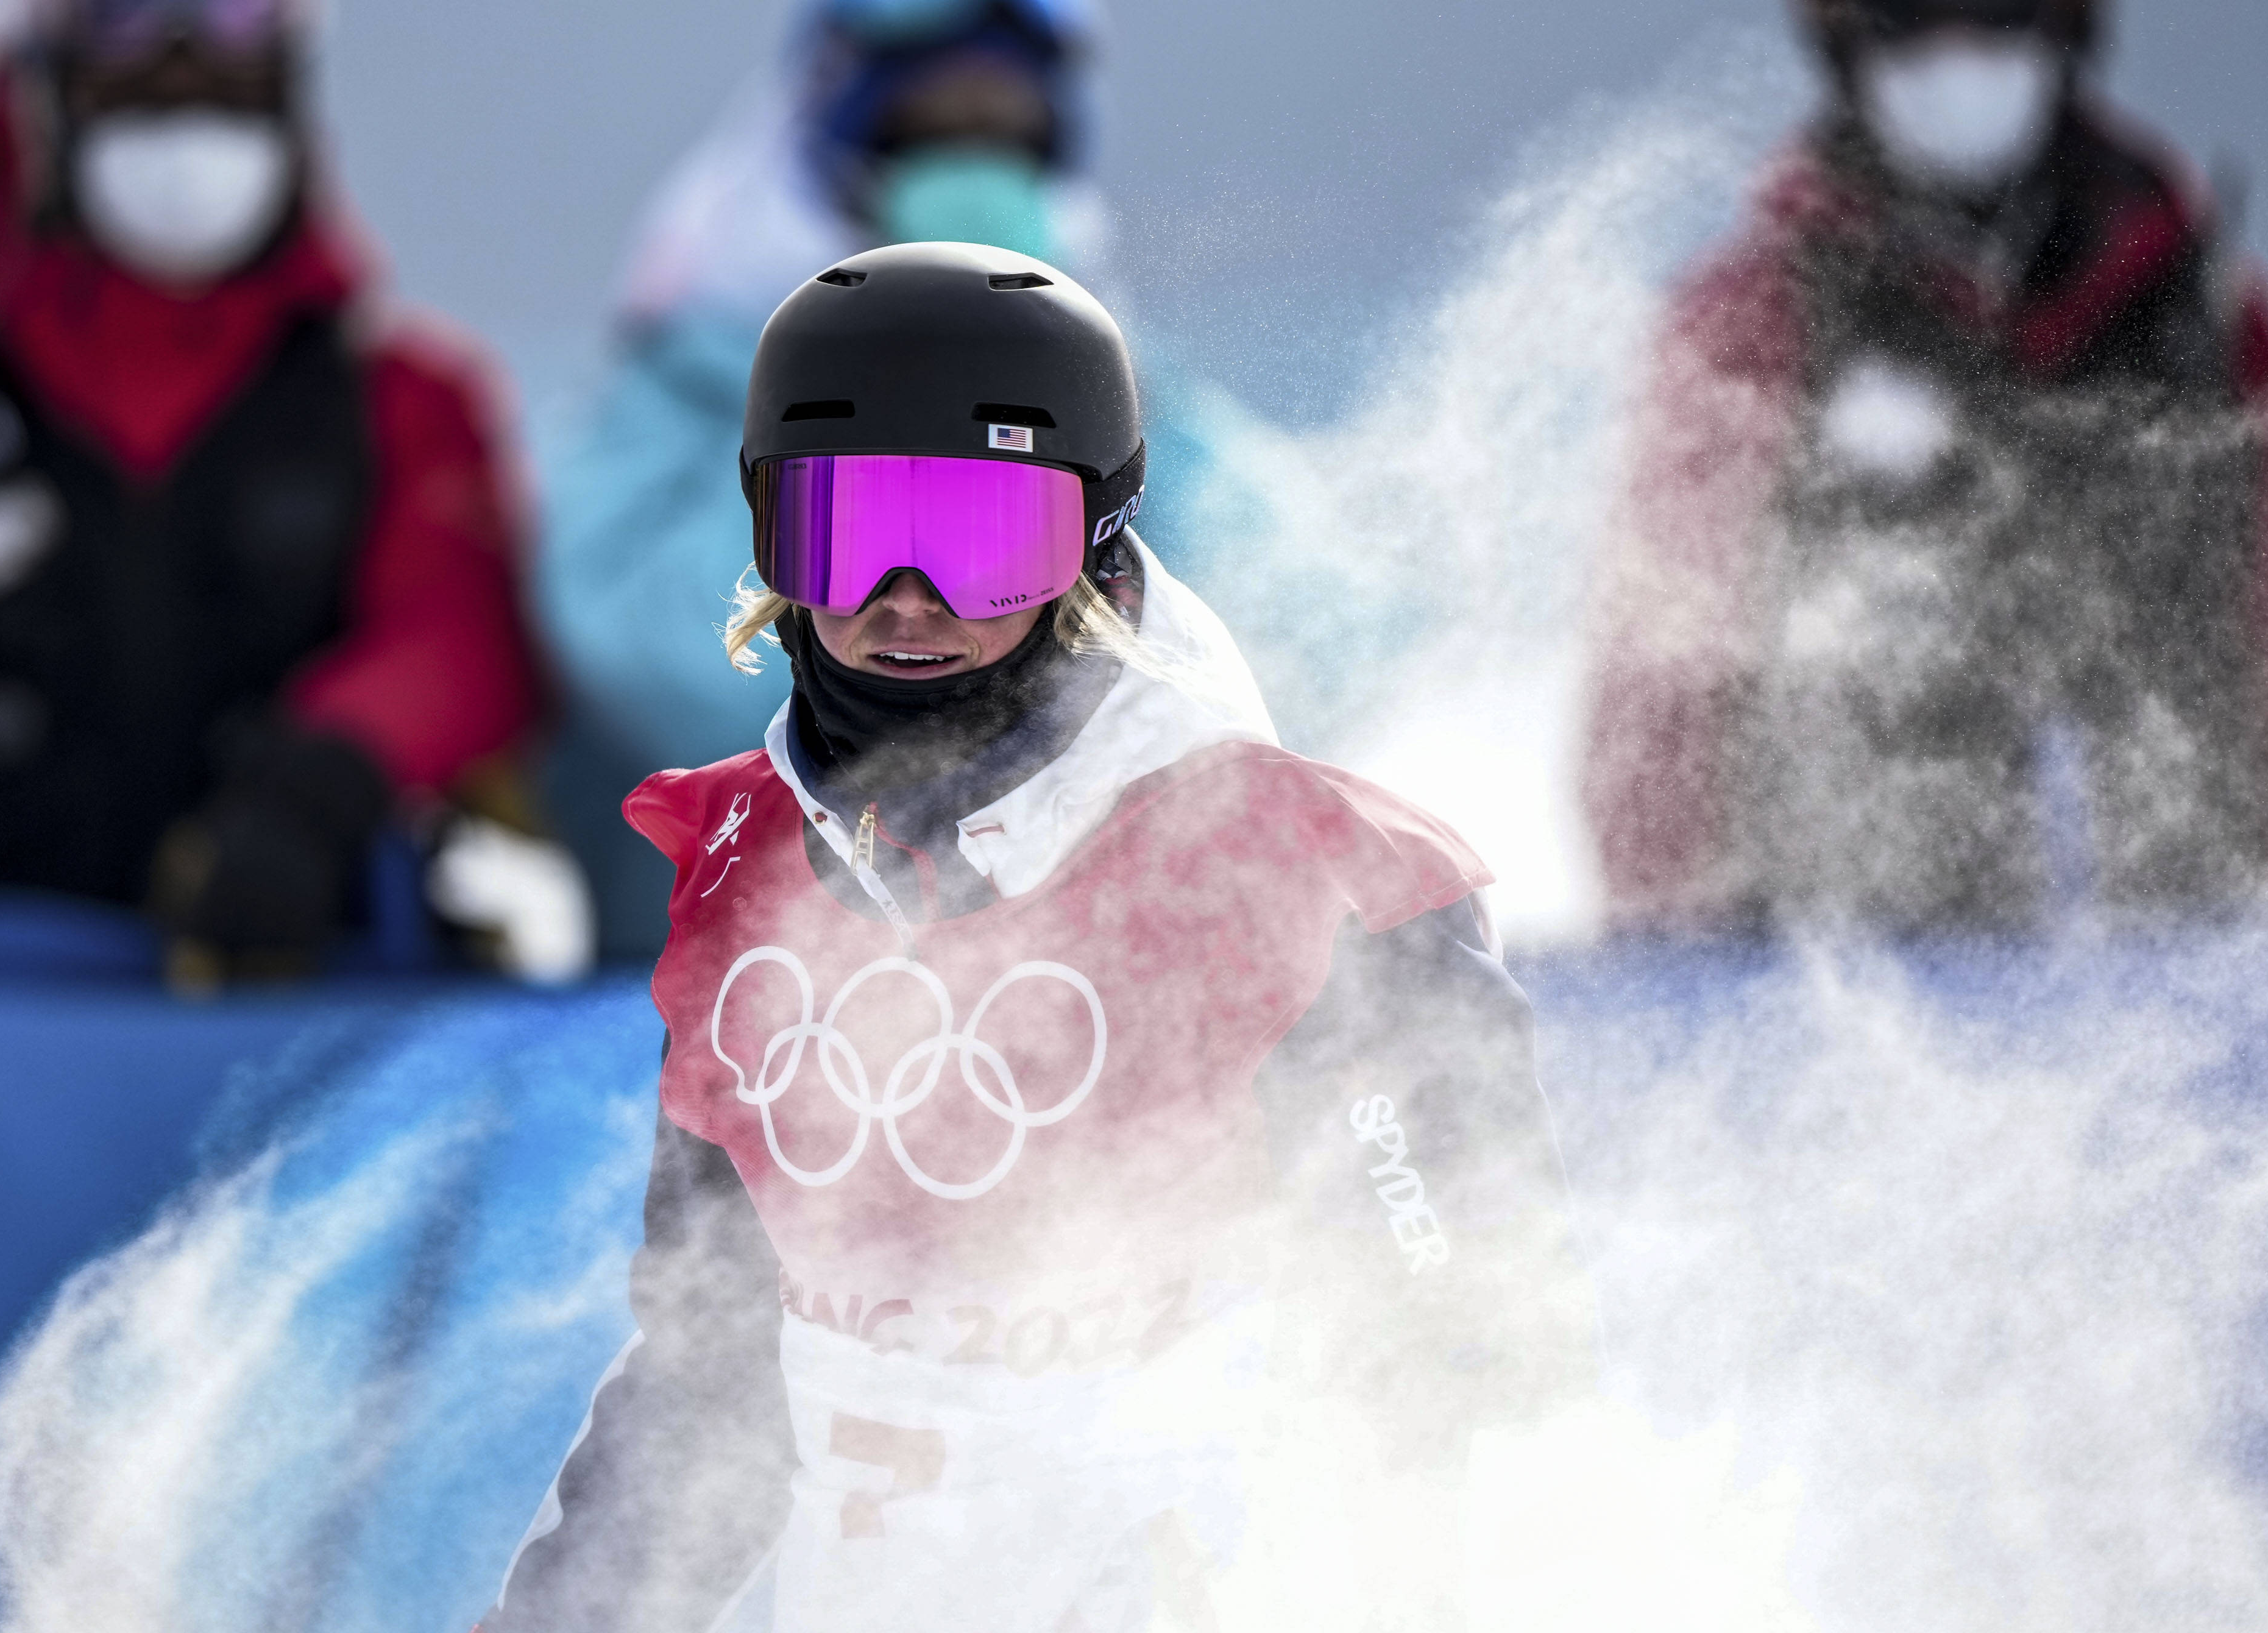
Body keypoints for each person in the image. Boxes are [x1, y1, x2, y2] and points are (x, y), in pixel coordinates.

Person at [482, 244, 1590, 1632]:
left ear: (1093, 551)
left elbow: (1459, 1345)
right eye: (842, 531)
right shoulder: (746, 873)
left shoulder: (1300, 887)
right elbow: (709, 1391)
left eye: (978, 543)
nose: (904, 599)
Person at [0, 0, 579, 982]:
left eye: (234, 27)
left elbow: (467, 640)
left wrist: (318, 785)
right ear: (41, 89)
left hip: (307, 1036)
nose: (182, 69)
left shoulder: (396, 395)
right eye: (123, 26)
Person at [1583, 0, 2268, 932]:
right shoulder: (1754, 326)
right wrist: (1671, 952)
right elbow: (1658, 682)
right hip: (1855, 981)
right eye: (1912, 22)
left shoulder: (2205, 319)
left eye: (2000, 17)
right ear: (1847, 43)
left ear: (2065, 31)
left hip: (2196, 961)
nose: (1960, 59)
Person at [536, 0, 1115, 965]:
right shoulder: (690, 379)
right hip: (705, 989)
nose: (970, 166)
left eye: (1004, 136)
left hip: (1047, 997)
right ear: (842, 146)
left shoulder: (1109, 388)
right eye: (926, 132)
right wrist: (871, 425)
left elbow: (1279, 634)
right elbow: (683, 672)